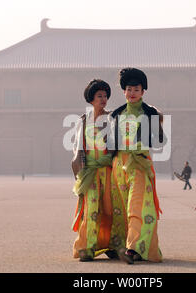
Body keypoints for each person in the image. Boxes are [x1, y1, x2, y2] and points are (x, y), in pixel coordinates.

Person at [108, 68, 165, 264]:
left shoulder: (150, 112)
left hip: (140, 164)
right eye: (129, 89)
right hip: (119, 165)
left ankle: (133, 248)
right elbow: (111, 145)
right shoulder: (116, 114)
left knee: (137, 205)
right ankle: (121, 246)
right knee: (121, 206)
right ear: (124, 91)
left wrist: (159, 122)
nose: (132, 93)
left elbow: (159, 141)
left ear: (143, 92)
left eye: (136, 89)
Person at [71, 79, 126, 262]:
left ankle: (114, 244)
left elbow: (116, 146)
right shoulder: (83, 121)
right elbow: (79, 148)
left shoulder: (112, 118)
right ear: (91, 99)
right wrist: (79, 173)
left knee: (112, 208)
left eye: (105, 96)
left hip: (109, 170)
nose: (103, 99)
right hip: (90, 172)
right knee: (91, 208)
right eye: (99, 96)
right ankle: (87, 247)